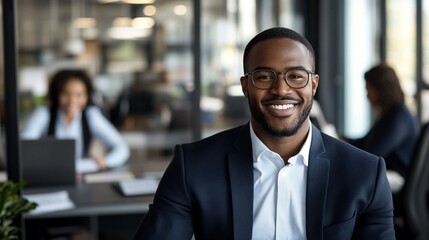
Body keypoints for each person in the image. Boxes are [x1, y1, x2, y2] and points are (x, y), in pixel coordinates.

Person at [133, 27, 395, 239]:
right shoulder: (193, 165)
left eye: (295, 76)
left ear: (313, 85)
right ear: (246, 86)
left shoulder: (364, 173)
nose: (281, 89)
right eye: (264, 77)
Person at [21, 69, 130, 172]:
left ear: (87, 96)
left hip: (79, 176)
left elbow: (122, 147)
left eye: (79, 95)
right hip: (47, 173)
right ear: (56, 94)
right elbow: (24, 148)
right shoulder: (44, 114)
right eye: (65, 94)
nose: (72, 100)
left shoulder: (91, 115)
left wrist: (106, 161)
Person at [344, 63, 420, 179]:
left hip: (398, 180)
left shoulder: (399, 117)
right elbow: (364, 143)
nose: (367, 95)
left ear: (380, 89)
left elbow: (372, 153)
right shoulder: (389, 115)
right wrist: (337, 140)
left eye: (368, 89)